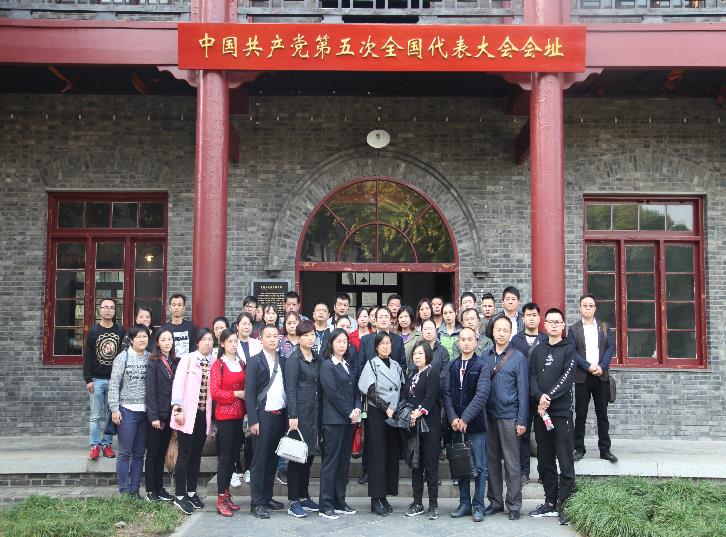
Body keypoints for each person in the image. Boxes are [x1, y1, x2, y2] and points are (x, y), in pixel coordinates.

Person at [528, 308, 577, 526]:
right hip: (541, 413)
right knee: (545, 459)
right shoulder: (538, 350)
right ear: (545, 325)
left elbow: (567, 378)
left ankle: (565, 504)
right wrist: (539, 397)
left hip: (560, 413)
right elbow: (532, 377)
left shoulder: (569, 349)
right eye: (550, 322)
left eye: (558, 322)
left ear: (563, 325)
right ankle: (550, 501)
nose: (554, 325)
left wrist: (548, 397)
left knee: (565, 459)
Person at [442, 327, 491, 522]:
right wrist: (453, 418)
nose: (466, 342)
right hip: (455, 425)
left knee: (479, 466)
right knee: (460, 464)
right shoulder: (452, 365)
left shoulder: (482, 366)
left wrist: (465, 418)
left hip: (475, 425)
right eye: (463, 339)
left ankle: (478, 505)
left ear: (476, 342)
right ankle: (464, 503)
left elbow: (481, 395)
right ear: (458, 342)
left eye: (470, 339)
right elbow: (446, 393)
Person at [482, 316, 529, 521]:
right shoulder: (485, 356)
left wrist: (522, 420)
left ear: (510, 333)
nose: (501, 333)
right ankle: (495, 501)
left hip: (510, 416)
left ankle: (514, 504)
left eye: (505, 330)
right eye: (498, 329)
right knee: (491, 461)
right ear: (492, 332)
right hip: (488, 416)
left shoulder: (518, 357)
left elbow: (523, 391)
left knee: (512, 462)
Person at [358, 332, 404, 516]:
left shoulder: (396, 365)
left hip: (393, 414)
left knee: (391, 455)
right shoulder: (371, 364)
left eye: (388, 343)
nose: (386, 346)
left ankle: (384, 495)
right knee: (377, 456)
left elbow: (402, 387)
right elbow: (369, 391)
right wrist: (386, 407)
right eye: (382, 343)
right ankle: (375, 499)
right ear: (376, 347)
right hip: (377, 413)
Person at [170, 328, 216, 515]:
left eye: (210, 339)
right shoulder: (188, 359)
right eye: (204, 339)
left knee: (196, 454)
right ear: (197, 342)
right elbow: (178, 385)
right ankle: (180, 495)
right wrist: (177, 410)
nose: (207, 342)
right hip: (187, 415)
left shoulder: (214, 362)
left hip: (203, 416)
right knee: (184, 454)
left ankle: (191, 492)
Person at [568, 294, 617, 464]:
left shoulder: (604, 327)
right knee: (581, 414)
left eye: (591, 305)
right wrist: (588, 366)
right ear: (580, 308)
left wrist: (602, 367)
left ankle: (605, 449)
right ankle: (579, 448)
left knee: (602, 414)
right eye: (585, 305)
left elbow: (610, 348)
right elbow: (572, 352)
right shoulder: (573, 329)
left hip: (601, 376)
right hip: (582, 376)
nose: (588, 308)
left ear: (595, 308)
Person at [319, 328, 362, 520]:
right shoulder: (327, 365)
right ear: (331, 343)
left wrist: (357, 408)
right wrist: (349, 412)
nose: (343, 345)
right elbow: (333, 393)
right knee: (331, 463)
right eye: (339, 341)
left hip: (348, 421)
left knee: (343, 463)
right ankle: (325, 505)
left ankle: (339, 501)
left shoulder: (347, 364)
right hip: (334, 421)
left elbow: (355, 390)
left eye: (345, 341)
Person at [246, 325, 288, 519]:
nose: (272, 339)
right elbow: (249, 392)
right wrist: (253, 420)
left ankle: (267, 497)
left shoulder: (283, 360)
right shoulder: (254, 361)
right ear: (261, 339)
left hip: (280, 416)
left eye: (275, 336)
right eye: (268, 336)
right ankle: (256, 503)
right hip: (263, 417)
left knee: (273, 460)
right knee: (260, 461)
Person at [284, 320, 321, 518]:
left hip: (314, 414)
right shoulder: (293, 359)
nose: (310, 338)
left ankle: (304, 495)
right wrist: (292, 415)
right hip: (299, 415)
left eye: (312, 334)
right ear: (298, 338)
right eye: (306, 335)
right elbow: (290, 388)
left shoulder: (316, 357)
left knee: (309, 456)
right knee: (296, 457)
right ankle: (293, 500)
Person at [108, 324, 150, 498]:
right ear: (132, 340)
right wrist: (114, 409)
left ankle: (135, 490)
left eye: (145, 336)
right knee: (125, 453)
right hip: (126, 411)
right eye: (138, 337)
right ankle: (124, 491)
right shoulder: (122, 357)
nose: (142, 340)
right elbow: (113, 384)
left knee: (139, 453)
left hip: (145, 413)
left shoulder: (150, 357)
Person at [210, 328, 246, 517]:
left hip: (239, 416)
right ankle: (220, 499)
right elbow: (215, 392)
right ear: (222, 343)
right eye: (229, 341)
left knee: (233, 457)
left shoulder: (241, 363)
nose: (233, 344)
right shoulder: (218, 365)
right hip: (224, 416)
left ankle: (227, 494)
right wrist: (236, 394)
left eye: (235, 341)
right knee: (224, 458)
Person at [83, 298, 124, 461]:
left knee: (110, 414)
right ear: (100, 310)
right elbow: (87, 356)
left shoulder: (120, 330)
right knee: (95, 416)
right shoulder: (93, 331)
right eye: (105, 307)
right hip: (97, 379)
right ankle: (94, 446)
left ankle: (107, 445)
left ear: (115, 311)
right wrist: (88, 379)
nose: (108, 310)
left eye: (111, 307)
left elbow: (123, 355)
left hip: (114, 380)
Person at [510, 303, 547, 484]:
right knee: (522, 433)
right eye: (528, 315)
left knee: (542, 435)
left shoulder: (546, 339)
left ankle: (543, 472)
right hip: (521, 394)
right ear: (522, 318)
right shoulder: (515, 340)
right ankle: (524, 472)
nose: (531, 318)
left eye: (534, 315)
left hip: (540, 395)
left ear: (539, 318)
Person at [405, 341, 442, 520]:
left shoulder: (431, 372)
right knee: (416, 465)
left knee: (431, 466)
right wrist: (409, 415)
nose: (417, 356)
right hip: (414, 426)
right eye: (415, 353)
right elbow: (407, 397)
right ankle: (417, 502)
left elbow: (430, 398)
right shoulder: (412, 374)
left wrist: (417, 413)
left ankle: (433, 505)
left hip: (430, 426)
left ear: (427, 354)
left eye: (420, 353)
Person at [144, 328, 178, 502]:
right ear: (157, 342)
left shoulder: (173, 361)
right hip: (156, 417)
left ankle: (160, 488)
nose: (167, 343)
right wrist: (154, 417)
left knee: (162, 453)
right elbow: (150, 393)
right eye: (163, 340)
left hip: (168, 415)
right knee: (153, 454)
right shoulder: (153, 362)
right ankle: (151, 491)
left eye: (169, 339)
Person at [236, 312, 262, 484]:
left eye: (249, 324)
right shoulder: (232, 342)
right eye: (243, 323)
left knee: (251, 432)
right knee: (238, 433)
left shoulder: (257, 344)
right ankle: (237, 467)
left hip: (254, 393)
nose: (246, 326)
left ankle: (250, 468)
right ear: (237, 326)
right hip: (237, 393)